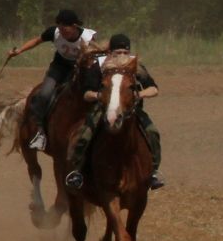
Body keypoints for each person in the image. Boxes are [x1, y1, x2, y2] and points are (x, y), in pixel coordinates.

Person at [64, 33, 163, 191]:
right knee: (84, 134)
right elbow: (87, 93)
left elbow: (154, 89)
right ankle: (77, 171)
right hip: (102, 109)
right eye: (118, 53)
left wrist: (139, 94)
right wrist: (100, 95)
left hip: (132, 111)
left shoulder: (135, 67)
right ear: (110, 53)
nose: (122, 56)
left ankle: (153, 172)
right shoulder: (99, 66)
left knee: (152, 132)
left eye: (125, 52)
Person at [8, 8, 98, 154]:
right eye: (60, 27)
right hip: (59, 67)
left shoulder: (87, 38)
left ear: (74, 26)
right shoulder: (54, 32)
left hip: (77, 70)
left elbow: (93, 56)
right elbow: (37, 40)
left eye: (65, 28)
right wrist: (19, 50)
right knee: (44, 94)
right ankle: (39, 131)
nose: (62, 31)